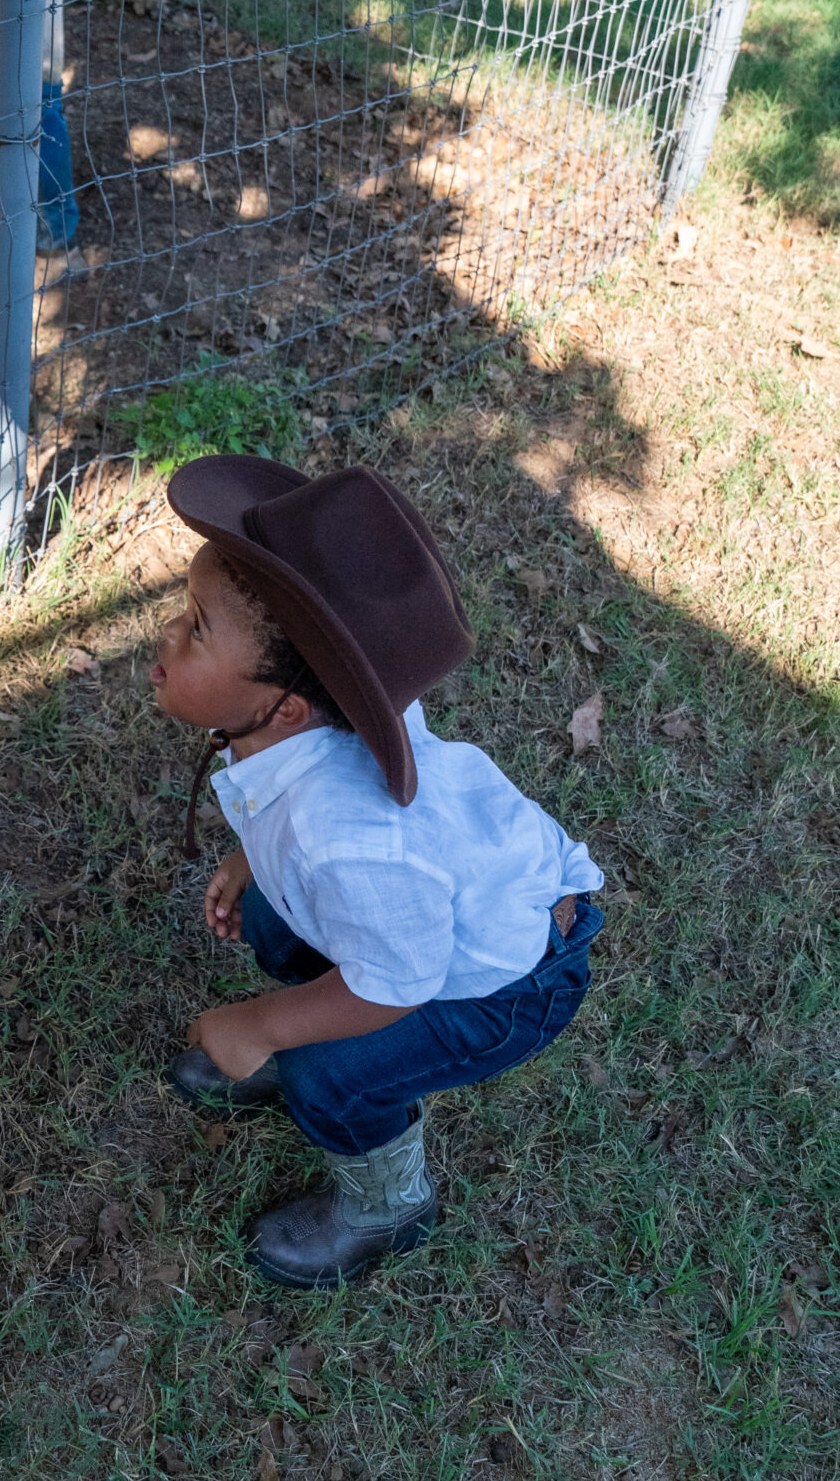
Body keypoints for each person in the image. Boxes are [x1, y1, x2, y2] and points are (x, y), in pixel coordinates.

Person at [149, 454, 603, 1289]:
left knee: (331, 1071)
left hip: (504, 983)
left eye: (196, 629)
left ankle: (388, 1203)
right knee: (268, 919)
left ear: (286, 706)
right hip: (414, 923)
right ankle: (304, 1042)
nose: (166, 637)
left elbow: (397, 983)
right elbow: (301, 811)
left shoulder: (350, 839)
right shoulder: (315, 722)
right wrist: (254, 852)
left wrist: (260, 1026)